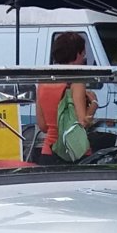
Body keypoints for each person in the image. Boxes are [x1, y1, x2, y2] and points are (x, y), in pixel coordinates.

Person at [38, 31, 98, 162]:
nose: (84, 58)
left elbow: (42, 126)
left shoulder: (43, 82)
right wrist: (94, 103)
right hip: (74, 153)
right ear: (77, 53)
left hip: (48, 153)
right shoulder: (76, 82)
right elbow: (83, 122)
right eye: (83, 53)